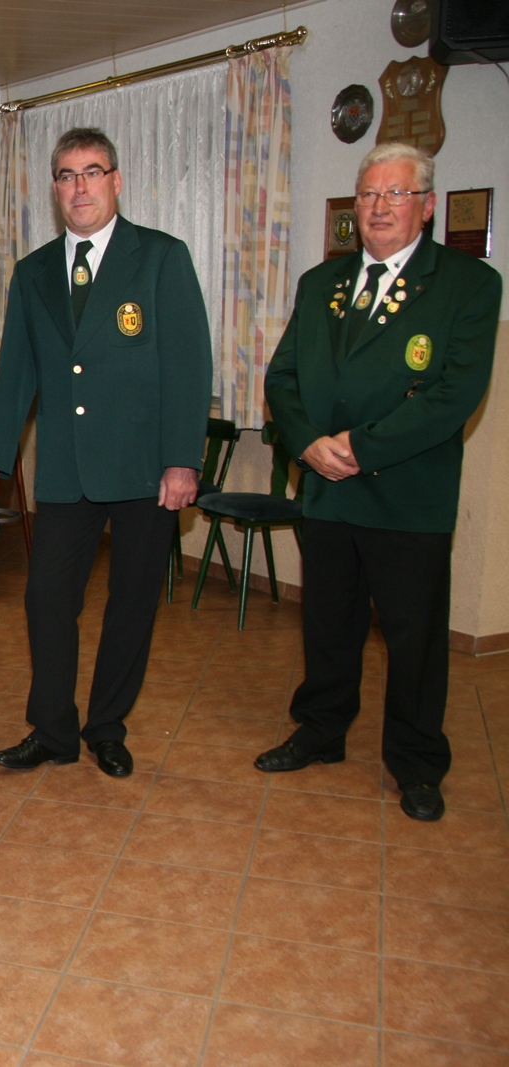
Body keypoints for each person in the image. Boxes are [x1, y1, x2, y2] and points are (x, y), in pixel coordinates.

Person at [0, 127, 211, 778]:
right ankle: (53, 731)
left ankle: (107, 728)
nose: (80, 187)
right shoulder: (34, 272)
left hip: (144, 468)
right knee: (46, 599)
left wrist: (183, 458)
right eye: (67, 176)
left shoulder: (160, 257)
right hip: (67, 470)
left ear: (115, 181)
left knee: (131, 604)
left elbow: (188, 366)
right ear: (55, 189)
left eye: (92, 172)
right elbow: (17, 377)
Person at [257, 142, 500, 822]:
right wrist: (308, 442)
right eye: (369, 194)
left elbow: (454, 396)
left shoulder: (468, 285)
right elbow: (283, 376)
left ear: (427, 205)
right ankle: (321, 730)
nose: (380, 207)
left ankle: (417, 762)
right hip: (327, 489)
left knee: (413, 638)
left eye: (396, 193)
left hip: (406, 496)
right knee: (327, 625)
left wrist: (360, 448)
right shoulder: (321, 283)